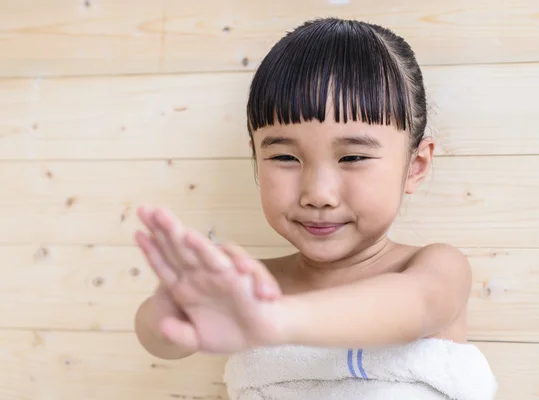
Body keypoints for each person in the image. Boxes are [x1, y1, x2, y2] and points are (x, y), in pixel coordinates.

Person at [133, 17, 478, 394]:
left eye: (352, 158)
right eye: (284, 157)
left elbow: (415, 306)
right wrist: (176, 308)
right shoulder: (252, 285)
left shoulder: (434, 269)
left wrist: (277, 319)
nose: (318, 193)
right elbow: (159, 339)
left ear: (416, 166)